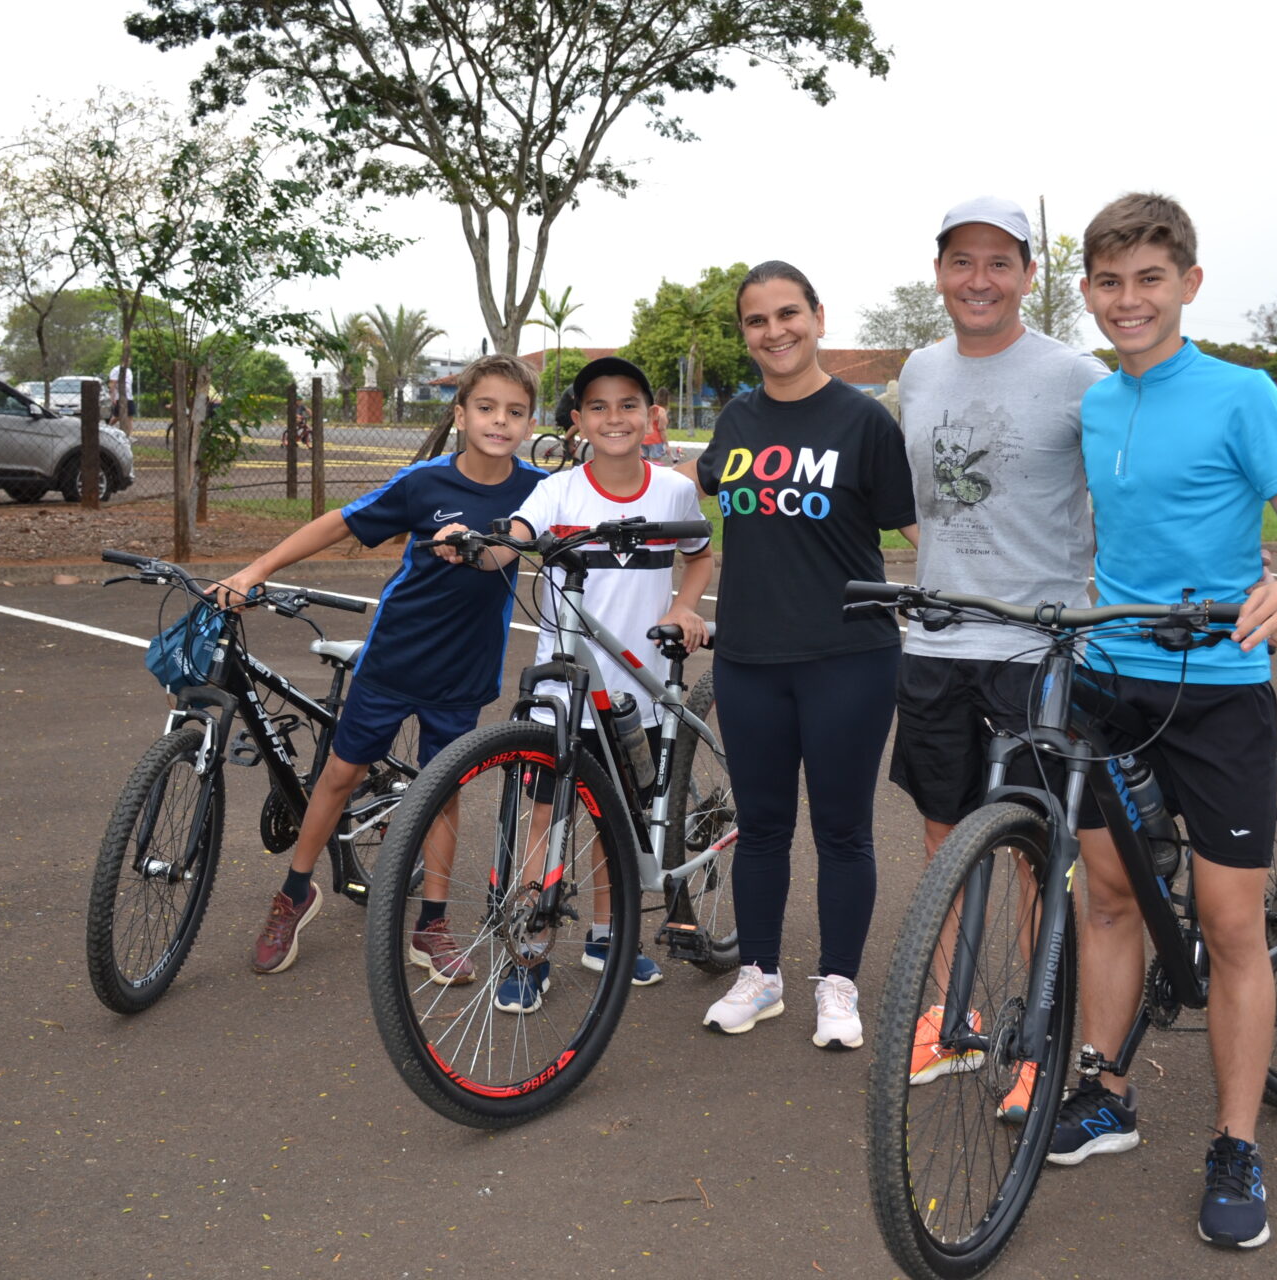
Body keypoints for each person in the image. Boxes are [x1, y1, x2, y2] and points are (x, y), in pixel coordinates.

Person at [1063, 192, 1277, 1251]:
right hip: (1109, 678)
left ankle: (1235, 1142)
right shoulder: (1096, 404)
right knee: (1109, 899)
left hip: (1218, 685)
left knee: (1229, 926)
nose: (1128, 299)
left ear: (1189, 282)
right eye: (1109, 281)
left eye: (1149, 278)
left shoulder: (1241, 392)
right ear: (1088, 291)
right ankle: (1108, 1095)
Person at [208, 353, 546, 977]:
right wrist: (255, 570)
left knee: (442, 792)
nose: (500, 420)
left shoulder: (540, 489)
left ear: (529, 423)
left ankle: (431, 926)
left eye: (515, 411)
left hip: (465, 671)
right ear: (460, 414)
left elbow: (601, 507)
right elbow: (338, 524)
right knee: (341, 773)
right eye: (486, 407)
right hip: (396, 656)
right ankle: (295, 893)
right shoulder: (423, 483)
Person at [888, 197, 1109, 1101]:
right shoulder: (919, 369)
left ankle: (1040, 1040)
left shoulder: (1077, 376)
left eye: (999, 263)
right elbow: (921, 500)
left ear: (1027, 275)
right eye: (962, 262)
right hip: (937, 641)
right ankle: (955, 1020)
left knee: (1035, 850)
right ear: (939, 272)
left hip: (1039, 650)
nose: (979, 280)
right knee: (945, 837)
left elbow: (1129, 489)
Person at [673, 261, 919, 1050]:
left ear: (817, 316)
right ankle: (760, 975)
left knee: (843, 830)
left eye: (788, 314)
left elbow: (919, 527)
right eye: (757, 320)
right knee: (762, 827)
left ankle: (838, 985)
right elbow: (683, 484)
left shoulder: (864, 421)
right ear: (745, 334)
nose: (774, 331)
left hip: (849, 656)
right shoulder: (737, 420)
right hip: (749, 660)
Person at [434, 355, 713, 1012]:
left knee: (620, 821)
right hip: (563, 695)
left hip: (638, 691)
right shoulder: (558, 492)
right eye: (598, 407)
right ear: (578, 422)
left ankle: (606, 934)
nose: (614, 418)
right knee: (544, 817)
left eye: (628, 405)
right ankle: (530, 949)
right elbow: (511, 541)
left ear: (651, 417)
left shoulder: (672, 492)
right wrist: (473, 542)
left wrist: (684, 606)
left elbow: (701, 555)